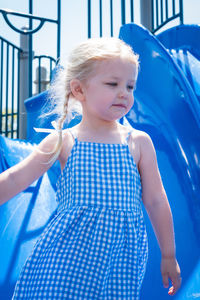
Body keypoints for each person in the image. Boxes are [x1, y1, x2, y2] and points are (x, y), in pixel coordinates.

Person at [0, 37, 181, 299]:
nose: (124, 93)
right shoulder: (64, 140)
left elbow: (155, 200)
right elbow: (17, 178)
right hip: (66, 258)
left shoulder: (139, 143)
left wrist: (168, 254)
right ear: (79, 90)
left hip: (120, 262)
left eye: (130, 86)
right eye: (112, 84)